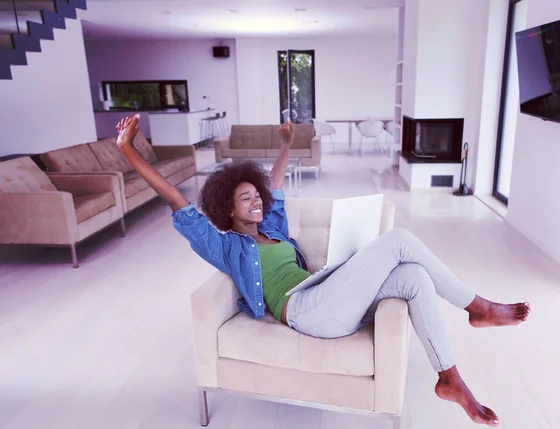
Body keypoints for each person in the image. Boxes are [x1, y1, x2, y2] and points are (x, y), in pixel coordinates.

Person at [116, 114, 530, 427]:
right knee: (400, 240)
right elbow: (177, 201)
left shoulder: (275, 230)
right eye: (246, 200)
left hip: (326, 295)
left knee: (414, 278)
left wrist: (286, 143)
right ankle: (478, 306)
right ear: (227, 209)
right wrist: (128, 150)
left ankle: (449, 378)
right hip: (304, 311)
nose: (257, 203)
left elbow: (274, 183)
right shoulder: (226, 247)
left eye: (256, 197)